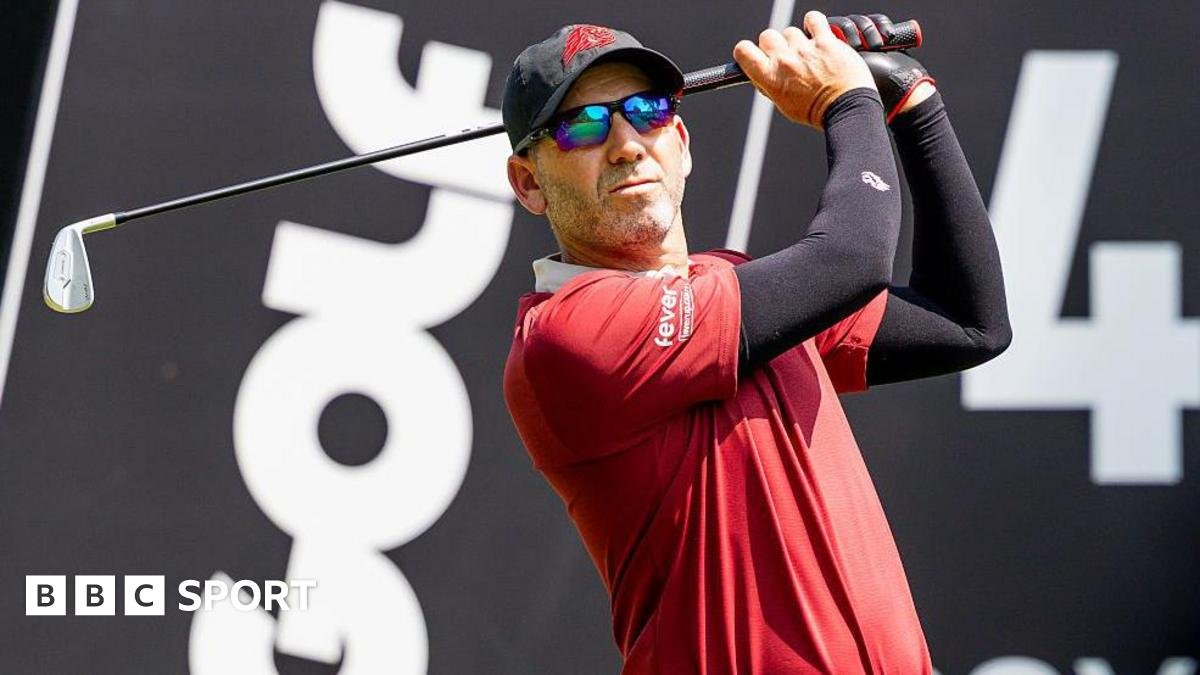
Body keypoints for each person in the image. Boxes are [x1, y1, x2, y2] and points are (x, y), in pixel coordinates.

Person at [501, 11, 1010, 674]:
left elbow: (967, 322)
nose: (627, 143)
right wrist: (847, 100)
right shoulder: (563, 335)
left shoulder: (735, 284)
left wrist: (911, 101)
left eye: (647, 110)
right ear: (529, 182)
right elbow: (853, 255)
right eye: (584, 125)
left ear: (680, 142)